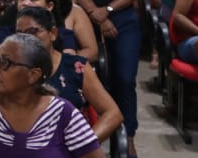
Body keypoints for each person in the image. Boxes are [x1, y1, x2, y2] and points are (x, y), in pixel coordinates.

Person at [71, 0, 142, 158]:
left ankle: (128, 136)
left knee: (125, 79)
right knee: (96, 80)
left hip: (123, 20)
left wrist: (108, 11)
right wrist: (98, 16)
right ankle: (95, 134)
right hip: (89, 20)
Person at [13, 7, 123, 141]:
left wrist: (85, 145)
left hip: (68, 144)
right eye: (20, 35)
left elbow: (113, 113)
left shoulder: (76, 67)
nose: (26, 40)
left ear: (52, 33)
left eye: (33, 32)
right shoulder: (10, 68)